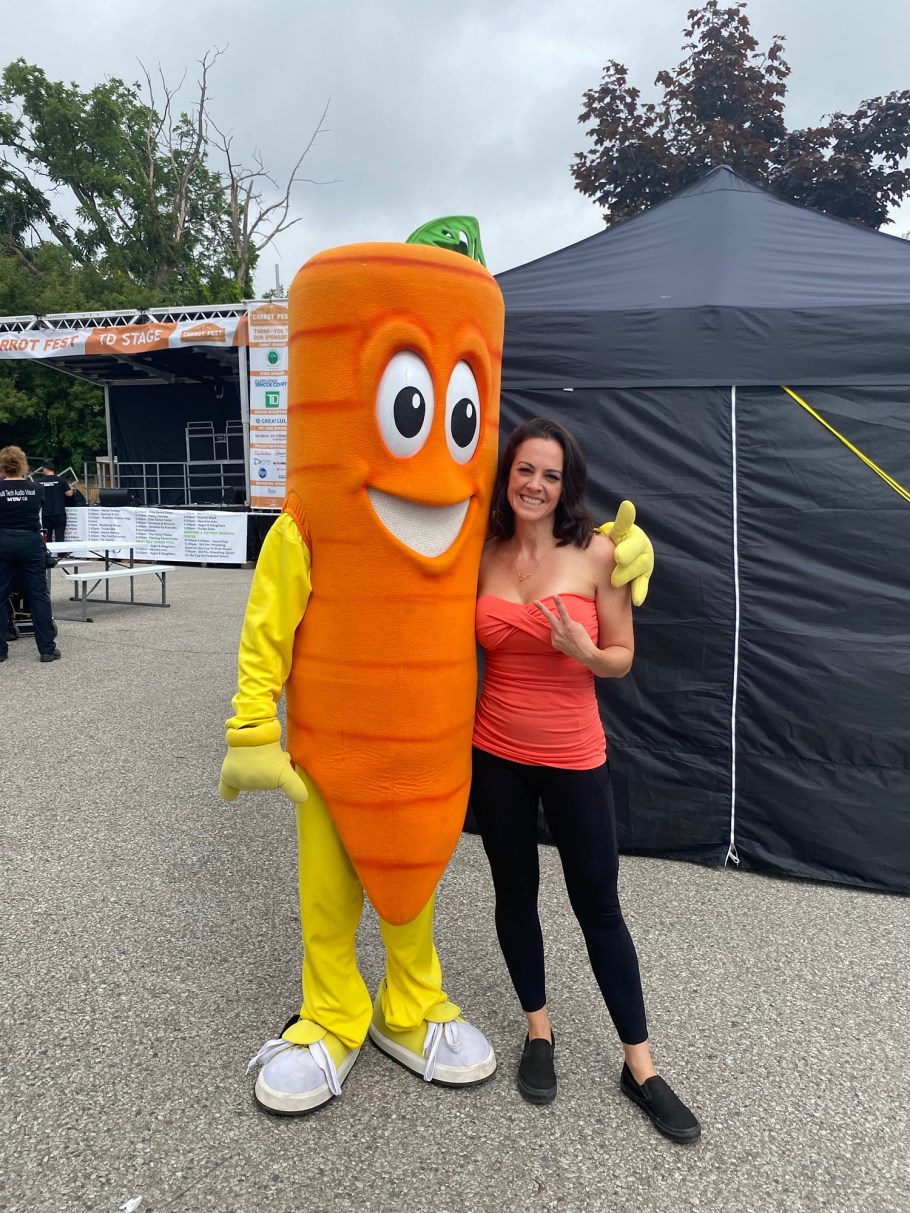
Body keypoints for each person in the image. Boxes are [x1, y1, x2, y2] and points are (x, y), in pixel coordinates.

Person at [469, 417, 700, 1144]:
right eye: (524, 470)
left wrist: (584, 651)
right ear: (507, 476)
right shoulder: (483, 552)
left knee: (598, 904)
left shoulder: (599, 553)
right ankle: (538, 1030)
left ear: (567, 484)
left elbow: (623, 655)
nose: (535, 484)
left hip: (574, 755)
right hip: (495, 751)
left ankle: (641, 1067)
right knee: (514, 892)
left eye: (551, 474)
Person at [0, 445, 61, 663]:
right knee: (38, 596)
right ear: (23, 465)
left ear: (3, 466)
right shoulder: (37, 488)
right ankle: (47, 649)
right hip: (30, 542)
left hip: (3, 541)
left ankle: (0, 650)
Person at [33, 458, 74, 545]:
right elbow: (69, 494)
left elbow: (34, 495)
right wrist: (71, 489)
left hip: (45, 514)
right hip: (59, 512)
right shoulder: (61, 480)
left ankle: (48, 552)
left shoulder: (38, 482)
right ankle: (61, 552)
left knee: (47, 538)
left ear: (45, 469)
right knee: (60, 536)